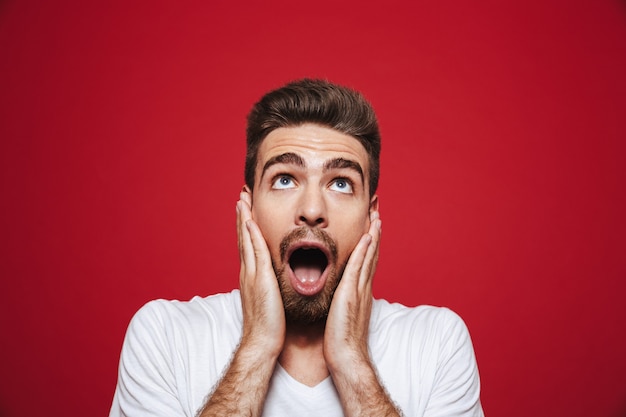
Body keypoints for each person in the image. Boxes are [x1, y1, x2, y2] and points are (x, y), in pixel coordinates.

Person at [110, 79, 484, 416]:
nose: (311, 211)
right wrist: (257, 347)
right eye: (285, 179)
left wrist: (352, 362)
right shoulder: (164, 337)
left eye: (340, 183)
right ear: (248, 208)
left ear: (371, 215)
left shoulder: (437, 344)